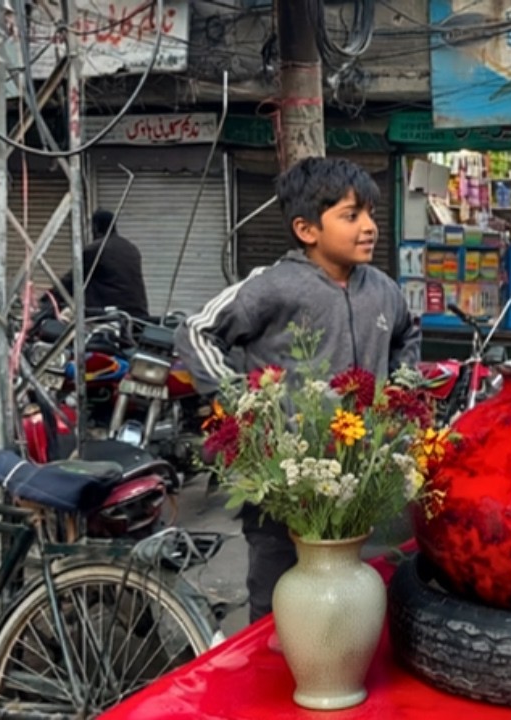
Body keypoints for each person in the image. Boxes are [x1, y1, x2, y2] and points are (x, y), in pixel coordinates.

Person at [175, 157, 422, 622]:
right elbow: (196, 332)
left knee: (352, 598)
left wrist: (400, 391)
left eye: (369, 214)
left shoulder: (385, 291)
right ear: (307, 230)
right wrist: (238, 403)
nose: (369, 227)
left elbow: (409, 334)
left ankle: (335, 677)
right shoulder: (273, 287)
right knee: (276, 607)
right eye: (352, 216)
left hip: (355, 482)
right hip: (281, 484)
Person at [57, 209, 149, 318]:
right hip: (139, 315)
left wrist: (49, 297)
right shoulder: (131, 248)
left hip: (109, 315)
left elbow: (72, 280)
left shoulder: (96, 249)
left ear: (95, 227)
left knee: (66, 319)